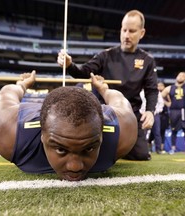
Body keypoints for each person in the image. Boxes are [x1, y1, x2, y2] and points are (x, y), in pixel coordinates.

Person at [0, 70, 138, 181]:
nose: (75, 167)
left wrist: (103, 88)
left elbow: (117, 98)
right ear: (42, 136)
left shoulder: (123, 133)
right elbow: (7, 94)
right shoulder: (7, 130)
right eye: (61, 149)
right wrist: (22, 84)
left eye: (89, 148)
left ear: (101, 136)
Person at [57, 10, 158, 160]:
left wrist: (150, 111)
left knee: (141, 155)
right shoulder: (106, 55)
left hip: (131, 113)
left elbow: (152, 90)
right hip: (106, 112)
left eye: (132, 31)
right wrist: (70, 64)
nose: (126, 35)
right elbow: (83, 72)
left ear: (142, 33)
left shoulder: (147, 60)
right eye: (124, 30)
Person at [161, 71, 185, 154]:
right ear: (176, 76)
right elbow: (160, 96)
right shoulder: (169, 88)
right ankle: (173, 149)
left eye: (183, 76)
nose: (181, 77)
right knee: (174, 130)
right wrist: (167, 103)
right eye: (180, 75)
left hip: (184, 110)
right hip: (174, 110)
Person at [140, 89, 164, 154]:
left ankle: (158, 149)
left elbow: (161, 103)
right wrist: (141, 112)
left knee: (157, 132)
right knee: (143, 132)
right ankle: (144, 149)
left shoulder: (156, 92)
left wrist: (156, 111)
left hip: (154, 114)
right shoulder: (140, 92)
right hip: (142, 114)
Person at [157, 81, 170, 153]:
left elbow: (169, 104)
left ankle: (161, 148)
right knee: (154, 132)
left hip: (164, 115)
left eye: (161, 86)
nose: (160, 87)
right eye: (158, 86)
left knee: (162, 132)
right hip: (156, 114)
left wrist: (162, 100)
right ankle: (149, 146)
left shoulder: (167, 95)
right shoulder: (154, 94)